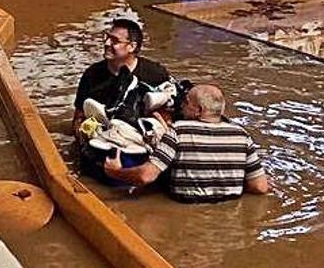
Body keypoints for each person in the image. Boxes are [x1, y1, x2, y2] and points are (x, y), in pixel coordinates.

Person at [104, 84, 270, 203]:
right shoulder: (241, 135)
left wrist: (115, 172)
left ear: (199, 110)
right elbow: (260, 187)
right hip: (229, 211)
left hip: (182, 206)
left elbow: (145, 176)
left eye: (186, 103)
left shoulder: (179, 131)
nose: (181, 107)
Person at [73, 18, 170, 137]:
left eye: (114, 41)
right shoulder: (92, 74)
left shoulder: (155, 74)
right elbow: (78, 116)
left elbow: (168, 117)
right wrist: (83, 133)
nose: (107, 43)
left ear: (132, 47)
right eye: (107, 37)